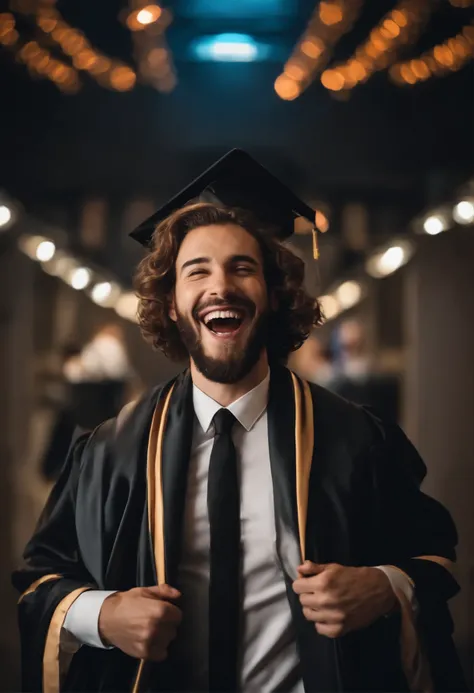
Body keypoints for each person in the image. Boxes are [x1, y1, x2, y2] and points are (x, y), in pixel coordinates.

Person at [13, 150, 466, 693]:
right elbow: (40, 579)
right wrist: (101, 615)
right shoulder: (111, 451)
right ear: (174, 304)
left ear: (274, 296)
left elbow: (433, 556)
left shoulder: (357, 440)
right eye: (196, 271)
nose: (220, 287)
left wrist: (384, 586)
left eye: (242, 268)